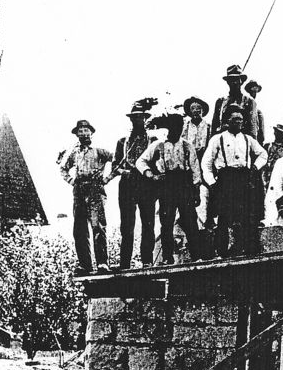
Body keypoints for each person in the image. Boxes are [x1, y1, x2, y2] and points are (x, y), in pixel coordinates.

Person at [202, 103, 268, 257]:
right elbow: (206, 163)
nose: (238, 122)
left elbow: (263, 154)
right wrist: (212, 183)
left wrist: (255, 168)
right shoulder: (217, 139)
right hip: (226, 179)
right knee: (224, 217)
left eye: (240, 120)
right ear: (227, 121)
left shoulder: (248, 139)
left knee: (246, 215)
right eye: (234, 119)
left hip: (244, 179)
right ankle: (222, 251)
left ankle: (245, 249)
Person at [136, 115, 203, 264]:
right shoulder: (158, 145)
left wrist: (196, 190)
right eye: (173, 127)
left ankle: (197, 256)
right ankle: (167, 257)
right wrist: (151, 175)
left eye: (179, 127)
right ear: (168, 129)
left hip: (184, 184)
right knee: (166, 222)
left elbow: (195, 169)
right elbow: (140, 161)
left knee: (190, 220)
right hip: (166, 185)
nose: (176, 131)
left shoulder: (187, 146)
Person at [60, 120, 114, 275]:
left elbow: (116, 161)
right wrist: (71, 181)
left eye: (86, 130)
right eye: (80, 131)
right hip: (79, 190)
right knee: (79, 229)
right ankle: (85, 265)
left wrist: (107, 177)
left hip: (95, 189)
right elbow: (63, 168)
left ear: (91, 132)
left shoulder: (98, 151)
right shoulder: (74, 153)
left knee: (98, 226)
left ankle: (103, 263)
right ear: (77, 134)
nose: (83, 134)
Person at [111, 101, 157, 270]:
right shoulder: (122, 142)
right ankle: (125, 263)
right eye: (134, 117)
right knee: (127, 226)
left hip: (146, 185)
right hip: (128, 185)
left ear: (145, 119)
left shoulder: (153, 140)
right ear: (131, 120)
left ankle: (147, 261)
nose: (138, 120)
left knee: (148, 223)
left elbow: (158, 163)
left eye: (141, 117)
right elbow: (115, 166)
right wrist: (125, 172)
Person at [181, 96, 211, 227]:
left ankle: (208, 220)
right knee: (189, 189)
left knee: (207, 189)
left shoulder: (208, 126)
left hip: (204, 158)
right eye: (193, 108)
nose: (196, 111)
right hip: (190, 161)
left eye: (199, 108)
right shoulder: (185, 127)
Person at [211, 64, 262, 140]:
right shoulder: (221, 102)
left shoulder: (249, 101)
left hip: (242, 144)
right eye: (231, 80)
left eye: (237, 79)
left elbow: (253, 130)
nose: (234, 83)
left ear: (241, 81)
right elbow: (214, 130)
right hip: (224, 143)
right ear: (227, 82)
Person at [243, 79, 267, 145]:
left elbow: (261, 130)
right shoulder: (245, 104)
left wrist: (261, 141)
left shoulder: (258, 111)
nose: (254, 91)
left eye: (255, 89)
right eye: (252, 88)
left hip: (255, 139)